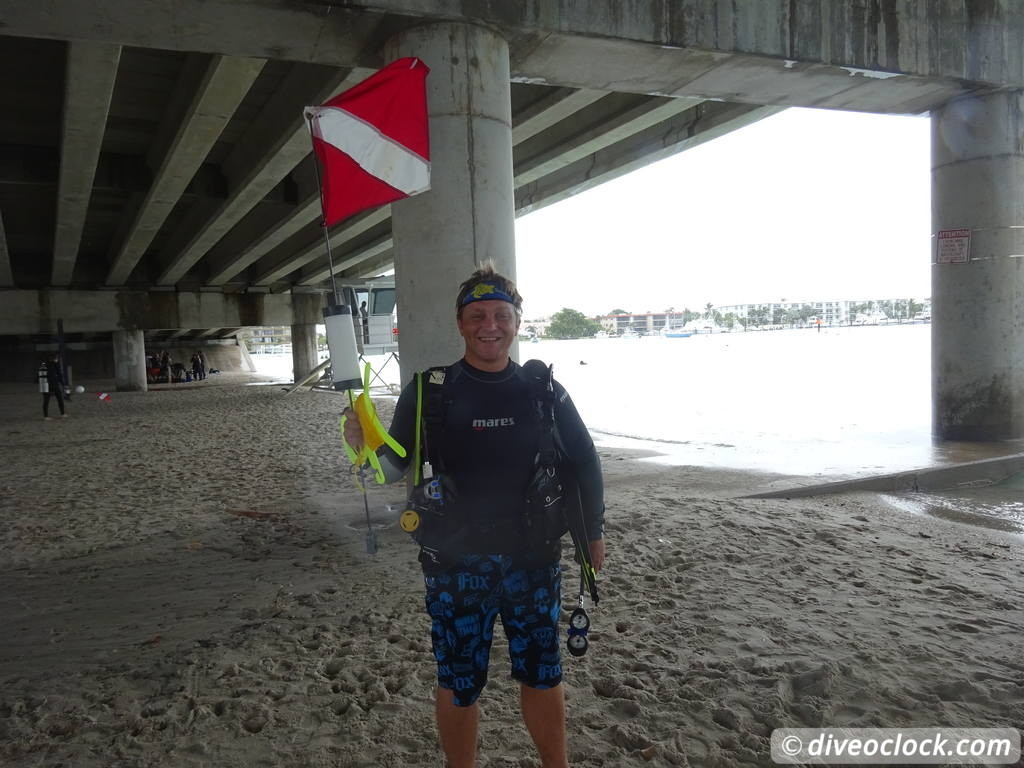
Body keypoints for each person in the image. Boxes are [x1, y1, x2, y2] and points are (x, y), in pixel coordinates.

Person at [343, 264, 605, 768]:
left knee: (542, 673)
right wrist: (362, 446)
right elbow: (392, 467)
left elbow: (585, 460)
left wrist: (592, 534)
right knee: (460, 681)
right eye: (478, 315)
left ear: (517, 321)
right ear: (460, 323)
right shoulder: (430, 390)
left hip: (534, 560)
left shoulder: (543, 389)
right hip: (455, 564)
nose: (491, 325)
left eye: (501, 315)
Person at [41, 353, 67, 420]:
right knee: (59, 399)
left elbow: (40, 375)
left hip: (45, 384)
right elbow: (59, 375)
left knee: (46, 400)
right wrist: (63, 384)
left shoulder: (44, 364)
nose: (57, 359)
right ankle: (62, 414)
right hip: (52, 384)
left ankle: (46, 416)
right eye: (57, 358)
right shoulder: (55, 364)